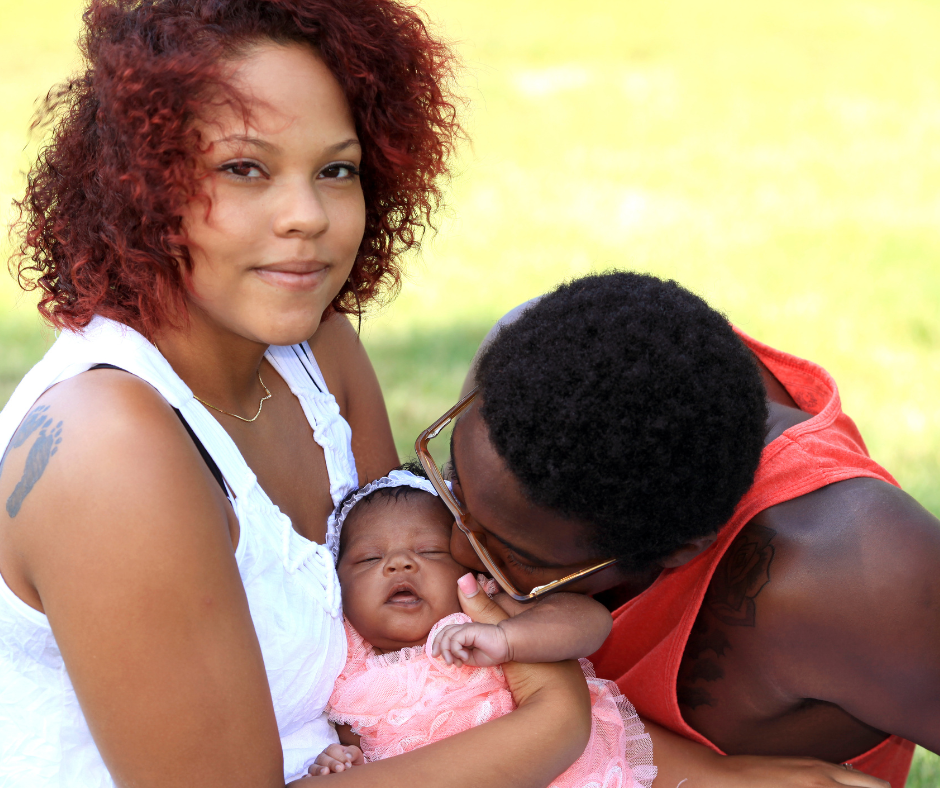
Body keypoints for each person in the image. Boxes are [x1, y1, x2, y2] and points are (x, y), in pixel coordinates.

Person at [0, 2, 593, 786]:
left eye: (335, 170)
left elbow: (430, 647)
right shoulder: (111, 450)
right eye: (244, 168)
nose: (307, 217)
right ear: (139, 186)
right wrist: (557, 722)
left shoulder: (314, 349)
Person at [419, 271, 940, 788]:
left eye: (514, 555)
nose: (454, 549)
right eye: (452, 480)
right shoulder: (535, 355)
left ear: (673, 550)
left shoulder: (857, 574)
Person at [309, 467, 657, 788]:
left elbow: (593, 621)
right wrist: (348, 761)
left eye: (429, 551)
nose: (400, 564)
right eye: (370, 558)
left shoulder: (484, 609)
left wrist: (510, 638)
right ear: (338, 584)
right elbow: (362, 743)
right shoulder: (344, 663)